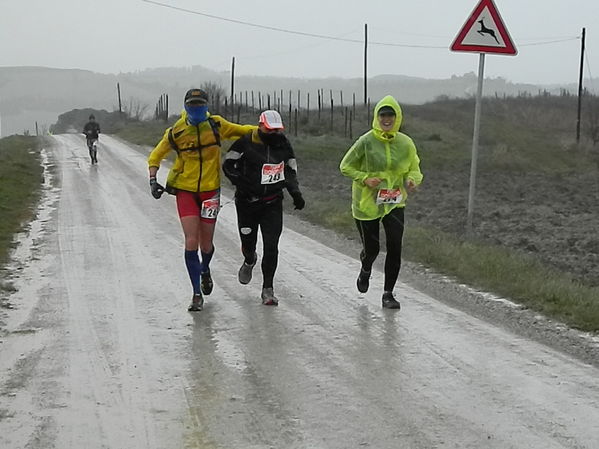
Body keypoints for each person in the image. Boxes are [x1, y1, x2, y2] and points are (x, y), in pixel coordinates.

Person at [147, 88, 256, 312]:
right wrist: (152, 179)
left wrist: (267, 131)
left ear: (206, 106)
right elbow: (156, 155)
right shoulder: (176, 131)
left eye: (200, 106)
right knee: (191, 241)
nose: (196, 110)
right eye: (192, 106)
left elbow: (243, 131)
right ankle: (196, 293)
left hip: (210, 192)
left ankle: (205, 269)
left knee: (206, 244)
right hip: (185, 190)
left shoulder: (216, 125)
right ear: (186, 107)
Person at [339, 95, 423, 309]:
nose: (387, 119)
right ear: (377, 117)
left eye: (391, 115)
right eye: (383, 115)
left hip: (395, 201)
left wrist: (412, 180)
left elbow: (414, 167)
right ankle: (365, 268)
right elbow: (345, 166)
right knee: (373, 249)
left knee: (395, 246)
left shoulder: (406, 143)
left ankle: (388, 294)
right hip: (367, 203)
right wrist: (365, 178)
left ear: (398, 117)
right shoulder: (366, 141)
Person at [223, 110, 305, 306]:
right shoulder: (245, 141)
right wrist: (241, 182)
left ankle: (268, 289)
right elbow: (227, 165)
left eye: (276, 130)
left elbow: (290, 169)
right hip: (247, 203)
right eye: (269, 130)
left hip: (272, 202)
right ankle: (249, 260)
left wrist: (295, 193)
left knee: (271, 245)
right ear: (260, 126)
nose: (273, 133)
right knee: (249, 243)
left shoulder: (283, 143)